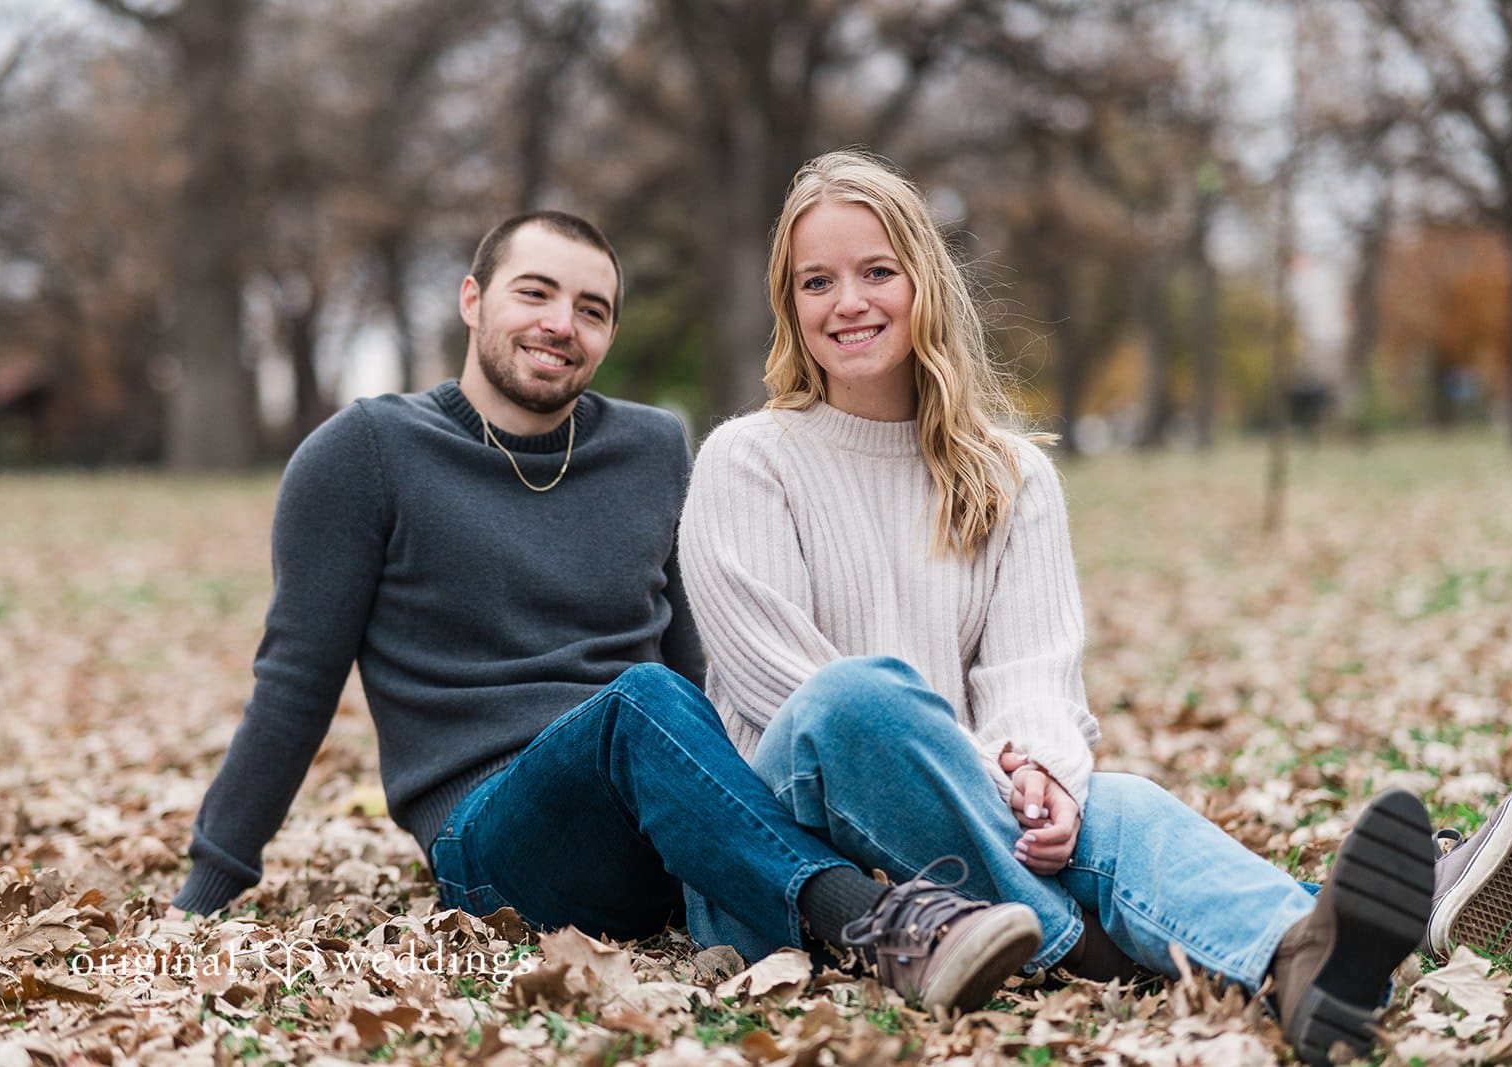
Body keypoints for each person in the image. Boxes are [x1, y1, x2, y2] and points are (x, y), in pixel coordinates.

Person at [676, 149, 1512, 1066]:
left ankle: (1305, 956)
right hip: (796, 869)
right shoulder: (748, 460)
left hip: (966, 835)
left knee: (1119, 803)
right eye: (817, 281)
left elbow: (1034, 677)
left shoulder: (1009, 475)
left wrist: (1047, 778)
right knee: (855, 700)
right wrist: (1000, 779)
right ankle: (1382, 903)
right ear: (789, 305)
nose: (849, 301)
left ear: (925, 282)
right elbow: (789, 691)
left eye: (878, 271)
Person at [164, 209, 1046, 1015]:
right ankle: (874, 923)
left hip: (665, 816)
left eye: (593, 308)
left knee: (743, 702)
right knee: (641, 700)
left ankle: (1015, 918)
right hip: (496, 842)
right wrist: (207, 886)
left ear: (610, 334)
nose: (562, 323)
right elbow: (294, 684)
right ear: (472, 300)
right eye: (535, 293)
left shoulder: (653, 446)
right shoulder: (366, 454)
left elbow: (707, 661)